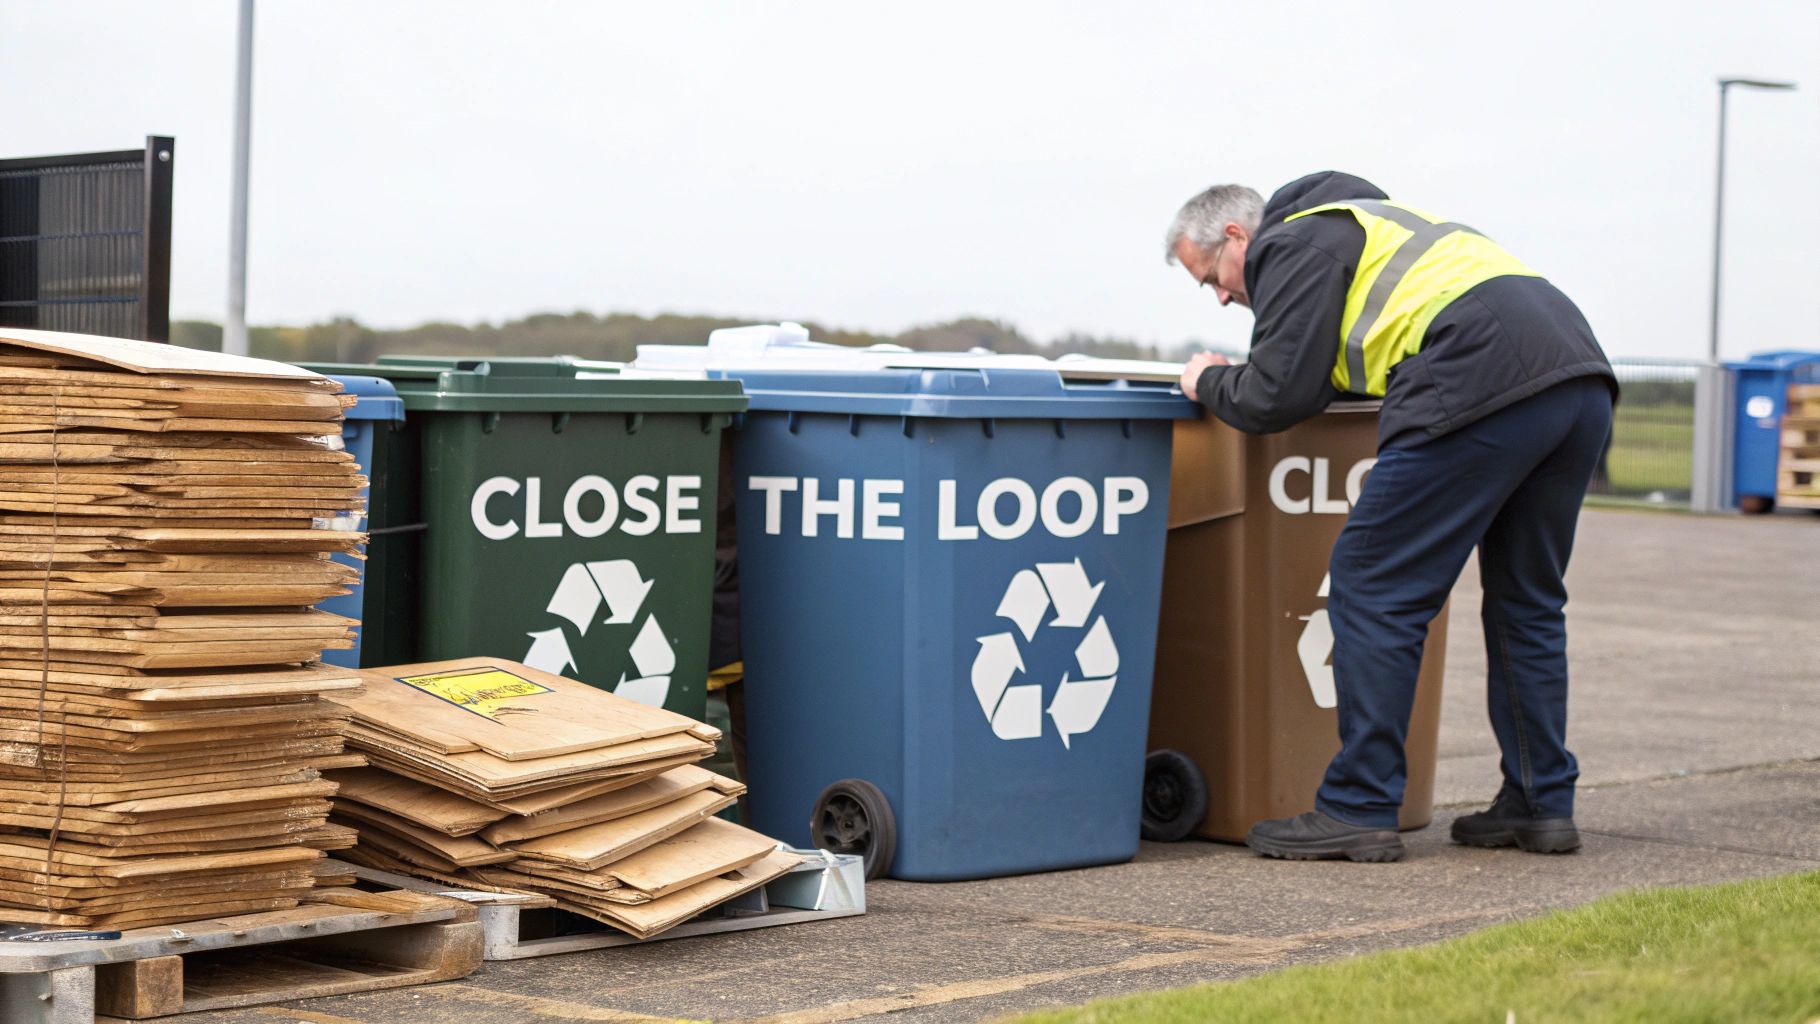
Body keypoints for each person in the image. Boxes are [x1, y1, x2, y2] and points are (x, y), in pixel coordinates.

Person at [1164, 171, 1617, 862]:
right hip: (1578, 378)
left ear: (1236, 235)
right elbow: (1325, 368)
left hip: (1480, 373)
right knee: (1526, 603)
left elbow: (1276, 395)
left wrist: (1207, 380)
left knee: (1373, 583)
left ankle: (1359, 804)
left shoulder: (1290, 243)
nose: (1224, 296)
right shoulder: (1369, 226)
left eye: (1212, 279)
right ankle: (1540, 802)